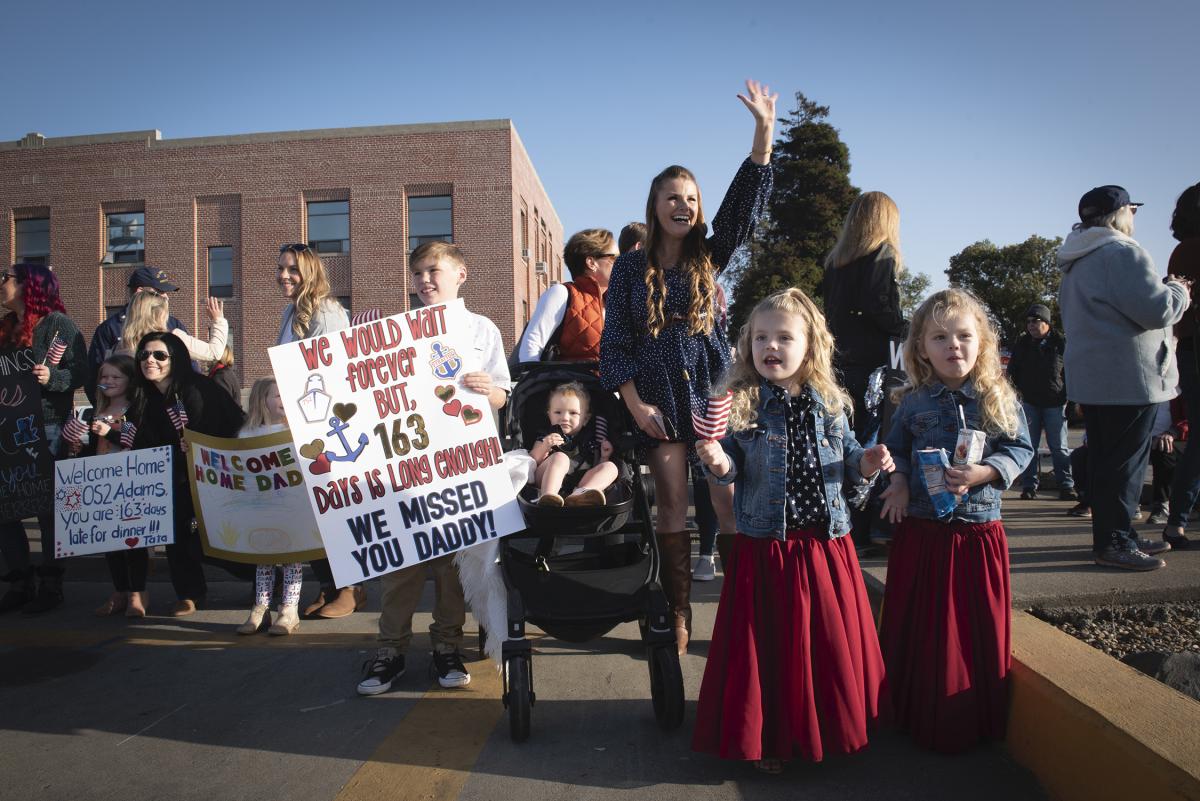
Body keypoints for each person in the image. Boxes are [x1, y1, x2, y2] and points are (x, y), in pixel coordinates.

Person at [601, 79, 776, 656]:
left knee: (727, 501)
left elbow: (740, 210)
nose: (683, 205)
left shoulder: (708, 255)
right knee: (673, 500)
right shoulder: (628, 270)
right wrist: (635, 404)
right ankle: (677, 616)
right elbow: (615, 343)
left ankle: (741, 615)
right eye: (673, 196)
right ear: (654, 204)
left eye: (691, 199)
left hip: (710, 390)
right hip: (654, 398)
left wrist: (762, 136)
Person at [691, 288, 891, 773]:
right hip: (769, 548)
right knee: (774, 649)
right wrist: (719, 464)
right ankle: (771, 737)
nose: (770, 347)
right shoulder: (743, 405)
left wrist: (864, 465)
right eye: (761, 337)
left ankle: (829, 725)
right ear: (748, 346)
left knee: (825, 644)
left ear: (810, 345)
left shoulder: (830, 405)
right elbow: (732, 466)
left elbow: (847, 461)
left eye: (784, 336)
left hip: (825, 543)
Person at [878, 288, 1033, 753]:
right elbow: (897, 453)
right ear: (921, 347)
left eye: (964, 336)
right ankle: (912, 714)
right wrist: (900, 483)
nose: (954, 346)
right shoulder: (911, 402)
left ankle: (968, 719)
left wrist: (986, 471)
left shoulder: (997, 398)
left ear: (981, 341)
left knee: (971, 630)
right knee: (921, 630)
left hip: (975, 534)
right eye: (940, 337)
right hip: (923, 533)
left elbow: (1021, 450)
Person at [357, 241, 511, 696]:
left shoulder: (481, 329)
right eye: (417, 273)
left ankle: (447, 645)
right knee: (401, 560)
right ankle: (390, 650)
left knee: (451, 562)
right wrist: (359, 342)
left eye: (433, 271)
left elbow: (503, 395)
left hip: (460, 464)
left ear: (461, 273)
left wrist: (489, 390)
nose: (424, 280)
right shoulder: (393, 329)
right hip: (404, 464)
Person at [1058, 185, 1189, 570]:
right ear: (1120, 214)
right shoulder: (1122, 252)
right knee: (1125, 464)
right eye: (1132, 209)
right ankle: (1115, 542)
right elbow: (1157, 311)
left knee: (1105, 461)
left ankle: (1116, 536)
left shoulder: (1076, 256)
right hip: (1129, 377)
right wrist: (1179, 290)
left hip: (1094, 378)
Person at [130, 331, 245, 615]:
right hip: (172, 478)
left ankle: (263, 575)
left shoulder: (195, 389)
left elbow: (224, 428)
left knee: (215, 538)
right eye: (144, 354)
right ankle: (188, 594)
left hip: (216, 476)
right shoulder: (143, 396)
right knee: (175, 535)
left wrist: (198, 442)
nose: (150, 361)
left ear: (176, 359)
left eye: (159, 355)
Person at [273, 243, 360, 618]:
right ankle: (328, 585)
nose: (284, 275)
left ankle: (350, 588)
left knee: (334, 511)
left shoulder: (328, 311)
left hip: (325, 428)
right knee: (310, 514)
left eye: (292, 269)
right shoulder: (288, 313)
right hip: (297, 426)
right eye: (280, 268)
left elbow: (337, 371)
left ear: (309, 272)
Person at [0, 263, 87, 613]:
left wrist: (53, 376)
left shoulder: (57, 325)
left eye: (5, 277)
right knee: (6, 507)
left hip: (47, 426)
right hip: (7, 429)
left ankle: (52, 582)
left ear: (27, 285)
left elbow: (81, 370)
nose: (1, 283)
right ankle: (21, 580)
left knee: (48, 510)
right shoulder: (4, 329)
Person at [75, 355, 149, 618]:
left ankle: (137, 593)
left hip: (131, 484)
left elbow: (138, 441)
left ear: (130, 381)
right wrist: (76, 444)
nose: (108, 381)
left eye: (116, 377)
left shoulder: (135, 409)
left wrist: (111, 432)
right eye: (104, 377)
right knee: (111, 542)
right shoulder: (95, 409)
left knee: (134, 543)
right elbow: (89, 447)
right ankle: (118, 591)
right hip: (102, 483)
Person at [236, 377, 302, 636]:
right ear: (261, 400)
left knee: (292, 559)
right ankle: (260, 609)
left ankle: (289, 610)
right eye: (277, 395)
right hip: (260, 509)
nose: (283, 399)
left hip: (293, 509)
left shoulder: (296, 431)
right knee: (262, 560)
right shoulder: (247, 434)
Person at [1163, 182, 1200, 549]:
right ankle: (1176, 522)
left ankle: (1176, 522)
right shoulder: (1192, 250)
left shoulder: (1180, 251)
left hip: (1188, 347)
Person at [86, 266, 185, 403]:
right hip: (125, 413)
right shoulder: (109, 329)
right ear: (139, 292)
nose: (166, 297)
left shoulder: (173, 325)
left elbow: (190, 370)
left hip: (167, 410)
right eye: (160, 292)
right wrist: (107, 409)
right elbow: (95, 377)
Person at [1007, 303, 1075, 500]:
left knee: (1059, 447)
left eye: (1035, 321)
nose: (1030, 325)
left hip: (1055, 402)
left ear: (1046, 323)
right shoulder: (1022, 344)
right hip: (1029, 403)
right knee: (1030, 446)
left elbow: (1071, 372)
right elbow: (1012, 371)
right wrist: (1014, 395)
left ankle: (1066, 486)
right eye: (1028, 322)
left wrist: (1072, 400)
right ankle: (1029, 486)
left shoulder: (1061, 342)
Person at [517, 229, 618, 362]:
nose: (621, 262)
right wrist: (539, 380)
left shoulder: (618, 302)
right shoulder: (562, 293)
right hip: (574, 381)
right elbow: (531, 346)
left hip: (615, 383)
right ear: (591, 263)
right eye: (614, 258)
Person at [530, 381, 619, 507]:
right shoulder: (546, 435)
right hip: (544, 480)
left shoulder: (591, 439)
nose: (565, 418)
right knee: (560, 457)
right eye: (558, 412)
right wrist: (544, 446)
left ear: (585, 419)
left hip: (578, 483)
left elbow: (594, 467)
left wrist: (604, 457)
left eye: (573, 413)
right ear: (549, 415)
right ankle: (548, 497)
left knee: (611, 467)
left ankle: (583, 494)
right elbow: (531, 460)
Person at [116, 292, 229, 364]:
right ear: (159, 314)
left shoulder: (119, 348)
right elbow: (214, 352)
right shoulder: (172, 339)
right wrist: (218, 320)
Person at [1148, 399, 1187, 525]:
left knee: (1163, 448)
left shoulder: (1181, 389)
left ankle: (1162, 506)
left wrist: (1172, 433)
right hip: (1144, 437)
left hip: (1178, 438)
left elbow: (1190, 419)